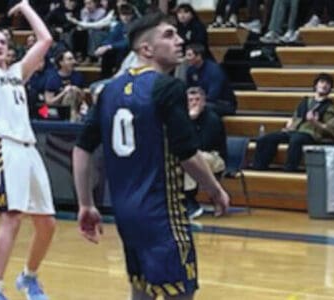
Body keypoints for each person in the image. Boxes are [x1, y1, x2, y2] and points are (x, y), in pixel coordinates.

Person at [72, 12, 230, 300]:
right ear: (146, 49)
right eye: (169, 35)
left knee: (141, 288)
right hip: (161, 212)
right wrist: (215, 189)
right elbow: (187, 155)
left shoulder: (108, 90)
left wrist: (85, 203)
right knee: (180, 290)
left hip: (125, 212)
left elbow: (81, 149)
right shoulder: (168, 87)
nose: (180, 40)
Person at [0, 0, 55, 299]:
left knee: (47, 223)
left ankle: (28, 277)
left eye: (3, 41)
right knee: (12, 218)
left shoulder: (17, 72)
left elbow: (46, 40)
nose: (0, 45)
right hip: (3, 148)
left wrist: (25, 6)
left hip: (29, 150)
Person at [252, 73, 334, 172]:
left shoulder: (330, 107)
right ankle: (259, 167)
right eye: (322, 82)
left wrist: (315, 122)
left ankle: (289, 169)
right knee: (267, 138)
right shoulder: (305, 101)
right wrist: (290, 124)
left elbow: (329, 128)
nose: (324, 85)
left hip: (310, 134)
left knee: (296, 140)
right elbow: (295, 117)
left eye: (327, 83)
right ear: (316, 85)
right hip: (295, 130)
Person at [184, 87, 227, 219]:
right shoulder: (182, 118)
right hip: (198, 155)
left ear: (204, 102)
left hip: (215, 158)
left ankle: (190, 200)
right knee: (185, 157)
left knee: (190, 158)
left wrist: (191, 121)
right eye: (190, 100)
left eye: (197, 99)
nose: (194, 103)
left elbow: (203, 144)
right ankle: (182, 201)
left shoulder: (212, 119)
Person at [185, 43, 236, 116]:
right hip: (202, 101)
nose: (186, 58)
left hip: (224, 103)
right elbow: (189, 91)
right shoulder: (190, 70)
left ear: (198, 56)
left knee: (202, 108)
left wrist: (196, 103)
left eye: (189, 55)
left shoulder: (214, 70)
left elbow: (213, 96)